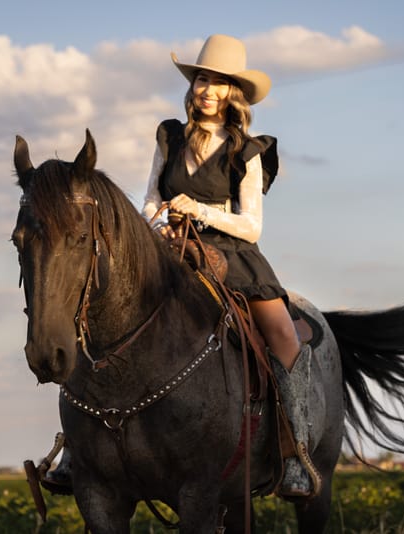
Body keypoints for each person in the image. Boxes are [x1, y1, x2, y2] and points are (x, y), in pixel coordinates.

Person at [141, 34, 320, 498]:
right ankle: (80, 449)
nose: (207, 90)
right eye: (202, 79)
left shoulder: (248, 151)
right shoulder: (169, 137)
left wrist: (199, 210)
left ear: (232, 93)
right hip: (171, 249)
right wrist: (159, 225)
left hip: (233, 255)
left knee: (283, 336)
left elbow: (252, 226)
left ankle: (295, 452)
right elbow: (150, 199)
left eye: (218, 83)